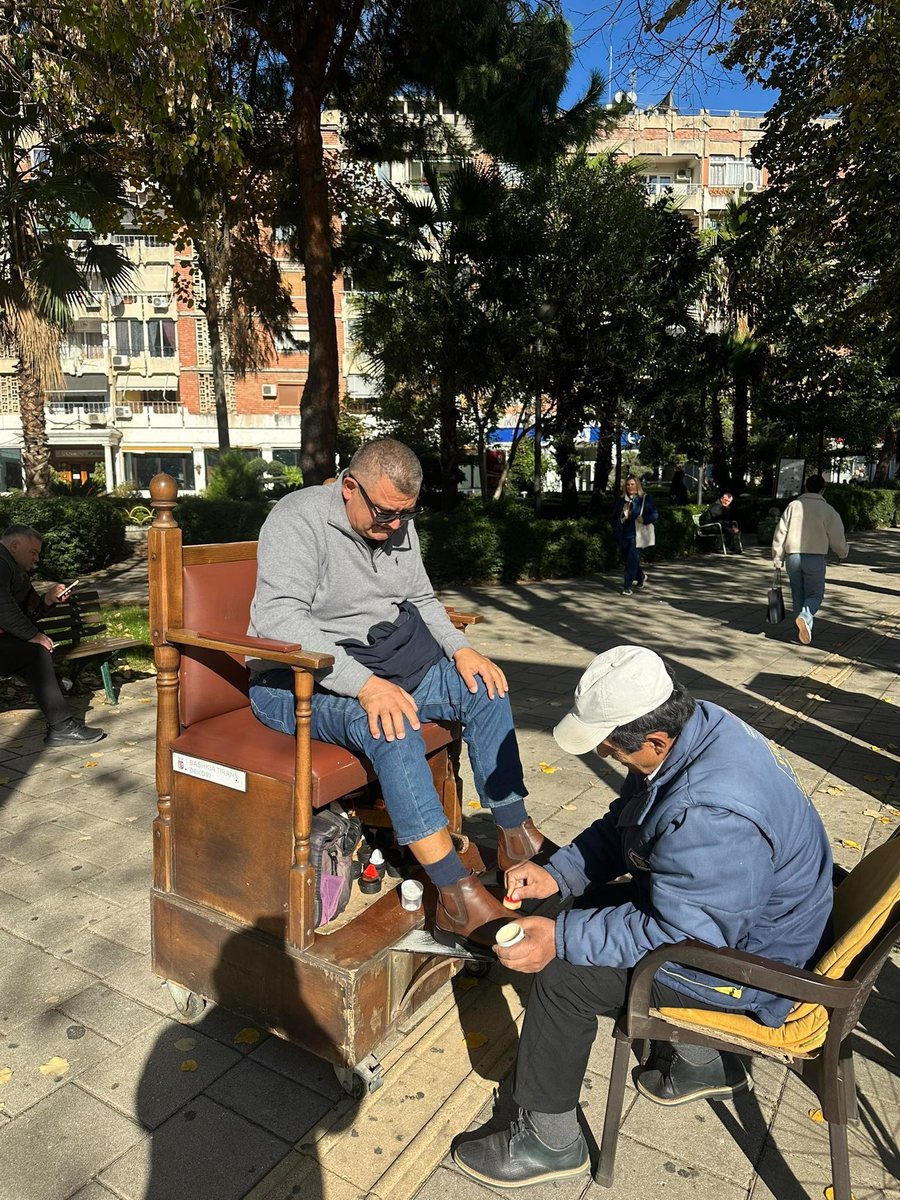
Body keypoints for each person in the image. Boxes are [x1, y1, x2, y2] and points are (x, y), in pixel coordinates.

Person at [452, 645, 833, 1188]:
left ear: (654, 740)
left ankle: (548, 1141)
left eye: (612, 749)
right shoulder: (698, 729)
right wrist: (559, 874)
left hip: (750, 968)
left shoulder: (711, 811)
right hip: (741, 922)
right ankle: (698, 1063)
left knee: (564, 976)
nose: (607, 756)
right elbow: (624, 823)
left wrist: (560, 938)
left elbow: (688, 936)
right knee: (568, 916)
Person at [247, 438, 555, 951]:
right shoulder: (297, 520)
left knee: (484, 687)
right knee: (392, 724)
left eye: (407, 514)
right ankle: (455, 895)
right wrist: (366, 687)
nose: (396, 527)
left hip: (385, 663)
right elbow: (277, 620)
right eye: (386, 513)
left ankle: (513, 833)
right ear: (350, 487)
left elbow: (420, 597)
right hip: (293, 680)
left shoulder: (398, 522)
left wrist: (461, 650)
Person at [0, 525, 106, 745]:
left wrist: (48, 599)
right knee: (35, 652)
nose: (37, 558)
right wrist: (33, 635)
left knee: (36, 652)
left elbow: (26, 613)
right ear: (15, 545)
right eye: (33, 552)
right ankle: (61, 724)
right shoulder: (1, 562)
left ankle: (58, 704)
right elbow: (2, 605)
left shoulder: (13, 567)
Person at [772, 474, 849, 646]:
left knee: (798, 593)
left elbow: (780, 533)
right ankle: (805, 617)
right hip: (815, 556)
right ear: (823, 490)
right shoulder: (828, 510)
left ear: (805, 487)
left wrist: (777, 558)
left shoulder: (793, 506)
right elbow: (837, 536)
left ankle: (803, 630)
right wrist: (842, 552)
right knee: (815, 594)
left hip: (792, 556)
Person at [612, 476, 658, 596]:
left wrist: (644, 519)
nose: (630, 487)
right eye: (628, 485)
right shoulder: (622, 500)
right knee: (628, 559)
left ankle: (627, 586)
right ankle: (641, 576)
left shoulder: (645, 499)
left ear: (637, 485)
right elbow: (614, 518)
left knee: (632, 560)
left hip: (637, 534)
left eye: (633, 484)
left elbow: (655, 514)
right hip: (623, 535)